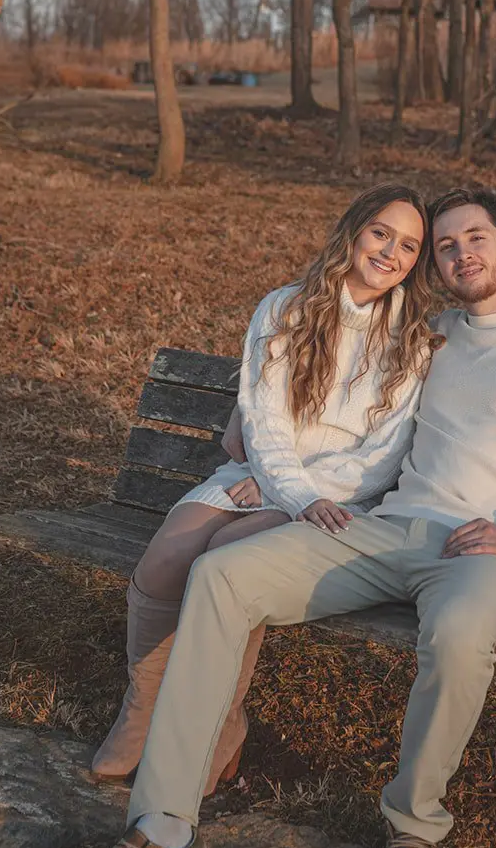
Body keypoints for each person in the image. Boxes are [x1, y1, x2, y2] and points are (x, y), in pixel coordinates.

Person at [48, 185, 496, 848]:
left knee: (456, 637)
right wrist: (253, 430)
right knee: (221, 576)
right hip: (387, 528)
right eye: (444, 246)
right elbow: (329, 368)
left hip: (484, 549)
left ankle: (413, 827)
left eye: (474, 238)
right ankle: (165, 835)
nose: (460, 255)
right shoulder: (427, 335)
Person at [88, 182, 438, 799]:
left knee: (226, 564)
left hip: (335, 500)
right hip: (263, 476)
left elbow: (380, 459)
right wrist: (281, 483)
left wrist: (297, 495)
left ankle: (219, 729)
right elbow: (266, 421)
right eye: (382, 233)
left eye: (409, 246)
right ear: (355, 231)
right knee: (169, 555)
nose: (391, 253)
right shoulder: (286, 309)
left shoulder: (411, 341)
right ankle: (141, 712)